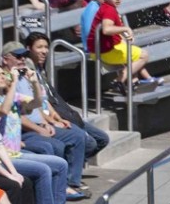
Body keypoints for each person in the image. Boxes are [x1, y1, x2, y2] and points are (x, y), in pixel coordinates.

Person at [0, 61, 76, 204]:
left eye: (3, 74)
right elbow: (3, 110)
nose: (3, 76)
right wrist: (14, 83)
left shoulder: (13, 96)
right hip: (1, 158)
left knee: (60, 164)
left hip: (16, 153)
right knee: (43, 169)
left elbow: (37, 103)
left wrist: (33, 81)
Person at [23, 33, 109, 165]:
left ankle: (71, 168)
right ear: (28, 48)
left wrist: (56, 116)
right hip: (43, 120)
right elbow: (36, 103)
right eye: (39, 47)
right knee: (88, 142)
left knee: (102, 138)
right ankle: (70, 175)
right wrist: (52, 120)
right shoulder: (27, 71)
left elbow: (46, 100)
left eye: (46, 47)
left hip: (61, 114)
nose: (44, 51)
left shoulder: (40, 69)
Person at [86, 0, 159, 94]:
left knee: (132, 53)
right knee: (143, 56)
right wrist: (126, 29)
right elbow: (107, 29)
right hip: (105, 52)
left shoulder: (108, 7)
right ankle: (119, 81)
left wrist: (124, 35)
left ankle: (132, 83)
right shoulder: (108, 10)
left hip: (103, 49)